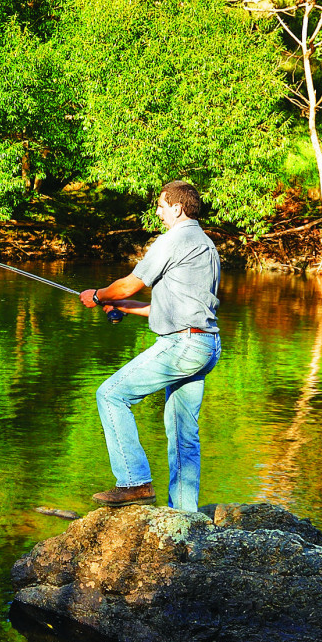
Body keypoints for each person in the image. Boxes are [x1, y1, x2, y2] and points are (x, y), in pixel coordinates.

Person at [79, 181, 221, 512]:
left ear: (177, 207)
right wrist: (123, 307)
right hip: (206, 345)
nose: (157, 211)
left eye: (161, 204)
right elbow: (175, 306)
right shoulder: (206, 245)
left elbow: (131, 283)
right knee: (184, 434)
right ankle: (185, 515)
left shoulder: (174, 239)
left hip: (182, 345)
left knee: (111, 395)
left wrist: (98, 295)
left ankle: (134, 483)